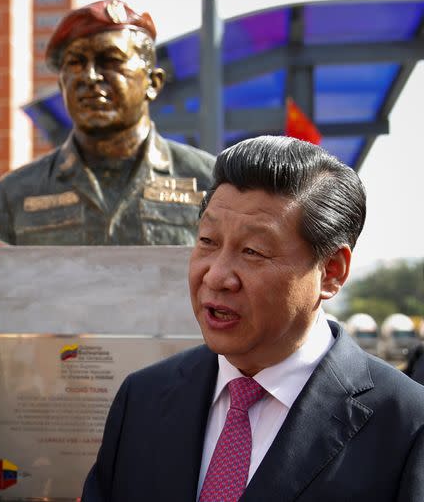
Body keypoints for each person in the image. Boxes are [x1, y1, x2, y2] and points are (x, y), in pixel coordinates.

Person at [82, 136, 424, 501]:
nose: (216, 276)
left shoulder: (406, 424)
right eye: (208, 241)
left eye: (253, 251)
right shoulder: (143, 399)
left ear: (332, 272)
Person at [0, 0, 216, 245]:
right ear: (61, 86)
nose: (89, 77)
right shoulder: (14, 194)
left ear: (153, 83)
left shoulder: (210, 182)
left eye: (111, 60)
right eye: (75, 63)